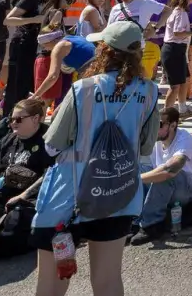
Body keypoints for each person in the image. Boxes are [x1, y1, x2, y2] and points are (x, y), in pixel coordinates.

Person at [29, 20, 160, 296]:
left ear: (104, 50)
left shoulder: (83, 89)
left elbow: (52, 145)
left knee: (52, 285)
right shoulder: (149, 91)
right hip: (118, 191)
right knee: (108, 282)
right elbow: (146, 147)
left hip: (70, 194)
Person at [132, 106, 192, 243]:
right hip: (165, 189)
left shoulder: (186, 139)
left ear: (173, 125)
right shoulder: (156, 141)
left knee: (169, 174)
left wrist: (136, 179)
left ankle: (151, 226)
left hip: (187, 189)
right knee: (137, 169)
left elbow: (171, 169)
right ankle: (134, 221)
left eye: (158, 124)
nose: (153, 129)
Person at [0, 97, 53, 218]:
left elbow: (49, 175)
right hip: (1, 194)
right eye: (11, 119)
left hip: (29, 199)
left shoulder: (48, 143)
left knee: (16, 217)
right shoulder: (7, 140)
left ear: (35, 119)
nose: (13, 123)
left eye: (18, 119)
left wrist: (22, 196)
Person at [162, 0, 192, 118]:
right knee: (175, 85)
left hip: (177, 49)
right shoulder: (179, 12)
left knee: (183, 81)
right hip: (174, 49)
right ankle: (167, 114)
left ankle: (182, 110)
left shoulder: (180, 11)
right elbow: (178, 33)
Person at [31, 32, 99, 107]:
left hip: (92, 72)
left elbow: (52, 76)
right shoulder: (72, 38)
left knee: (64, 108)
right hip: (100, 67)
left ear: (49, 42)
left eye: (44, 46)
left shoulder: (59, 47)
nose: (45, 49)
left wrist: (35, 96)